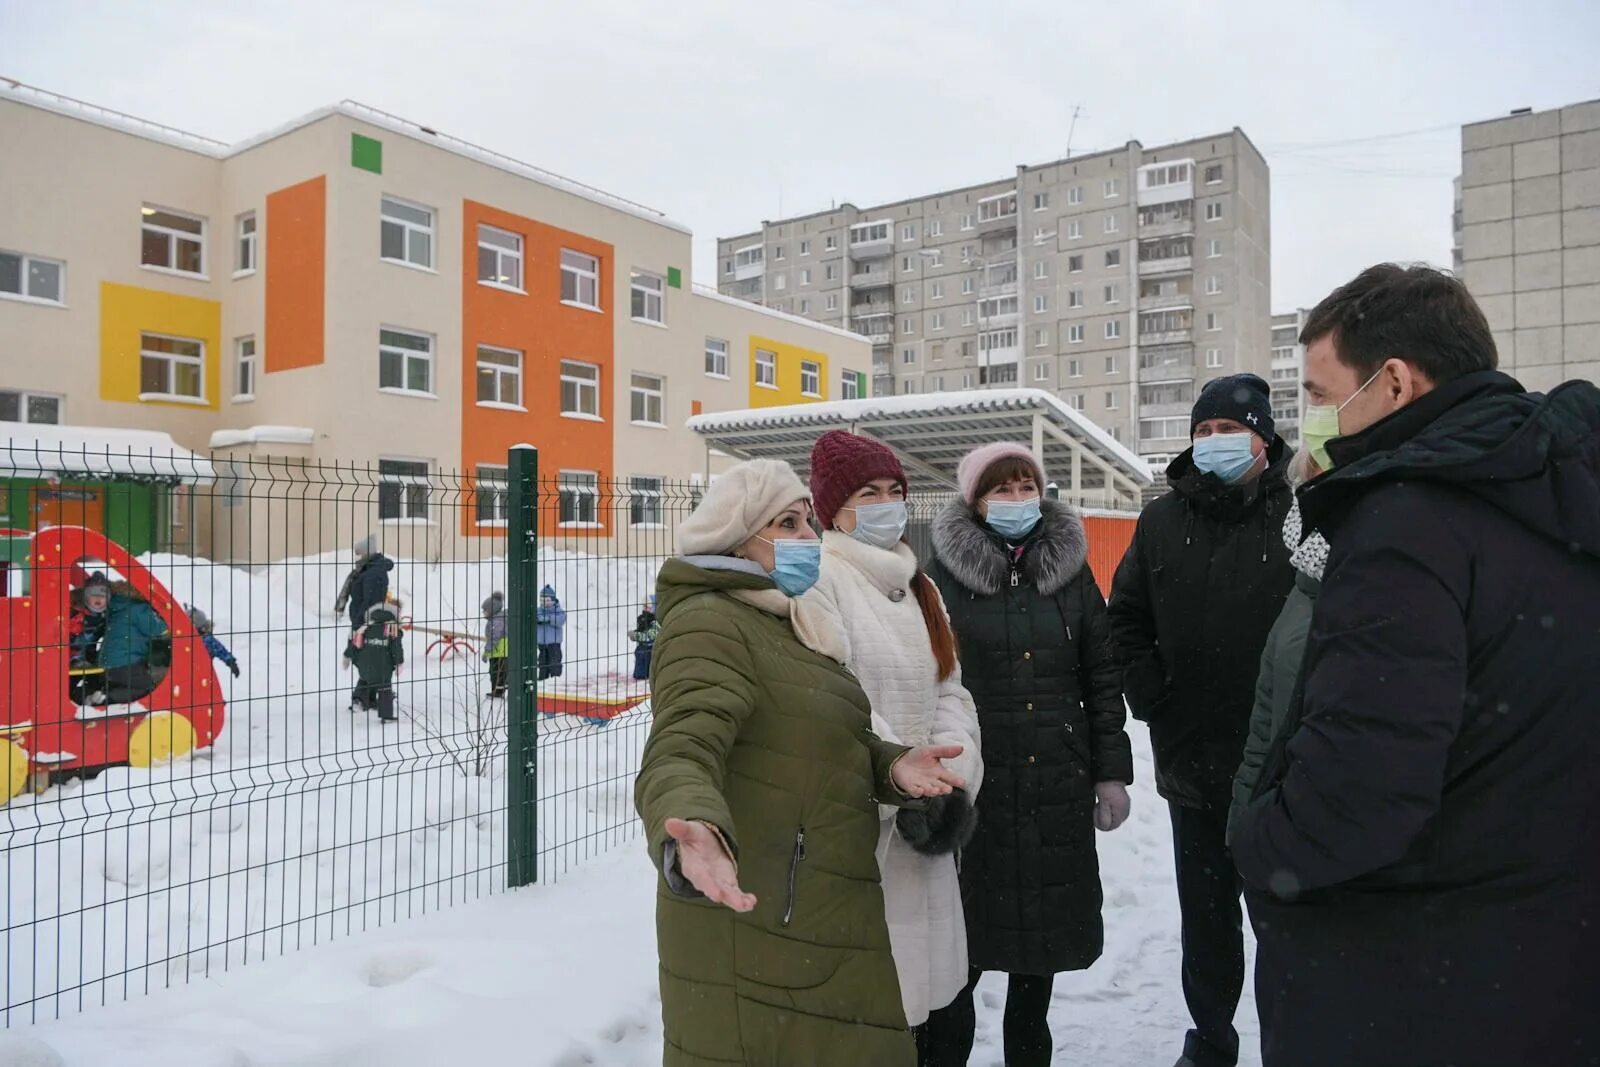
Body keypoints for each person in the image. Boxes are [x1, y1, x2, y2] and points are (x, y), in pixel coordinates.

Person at [1230, 264, 1600, 1067]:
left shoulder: (1406, 522)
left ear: (1394, 382)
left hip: (1409, 984)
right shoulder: (1559, 492)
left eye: (1321, 393)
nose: (1313, 418)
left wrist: (1256, 839)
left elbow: (1353, 799)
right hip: (1547, 965)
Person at [633, 458, 969, 1067]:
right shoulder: (708, 623)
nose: (809, 538)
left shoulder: (786, 620)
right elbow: (683, 742)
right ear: (738, 538)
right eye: (787, 523)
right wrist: (693, 822)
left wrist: (892, 766)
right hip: (761, 914)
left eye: (807, 521)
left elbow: (822, 735)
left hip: (817, 908)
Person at [923, 442, 1134, 1067]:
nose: (1016, 501)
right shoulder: (943, 581)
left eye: (1026, 487)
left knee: (1036, 959)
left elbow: (1101, 674)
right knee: (961, 959)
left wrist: (1110, 774)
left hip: (1054, 791)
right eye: (1000, 489)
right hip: (977, 791)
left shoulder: (1069, 573)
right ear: (974, 501)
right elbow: (928, 681)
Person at [1107, 374, 1293, 1067]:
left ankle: (1294, 1043)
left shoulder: (1303, 510)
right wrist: (1153, 698)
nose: (1214, 441)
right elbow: (1125, 616)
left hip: (1281, 766)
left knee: (1286, 921)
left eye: (1230, 428)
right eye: (1204, 430)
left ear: (1264, 435)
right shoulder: (1160, 520)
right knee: (1208, 924)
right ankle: (1212, 1041)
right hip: (1193, 761)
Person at [792, 430, 984, 1060]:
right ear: (831, 508)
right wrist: (902, 772)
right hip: (862, 827)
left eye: (893, 490)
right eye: (866, 492)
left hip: (930, 822)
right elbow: (837, 693)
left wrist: (953, 774)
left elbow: (950, 689)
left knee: (937, 1010)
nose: (885, 503)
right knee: (874, 1011)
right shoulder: (819, 580)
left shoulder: (920, 587)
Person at [1225, 450, 1322, 838]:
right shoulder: (1304, 588)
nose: (1312, 496)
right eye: (1308, 485)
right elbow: (1266, 728)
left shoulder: (1390, 587)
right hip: (1290, 817)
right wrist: (1245, 815)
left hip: (1345, 838)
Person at [97, 582, 170, 705]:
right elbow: (158, 629)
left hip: (109, 660)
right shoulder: (138, 609)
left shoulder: (118, 607)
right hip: (126, 661)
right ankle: (106, 698)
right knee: (146, 688)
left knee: (124, 684)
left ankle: (105, 697)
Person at [345, 598, 404, 723]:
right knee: (384, 687)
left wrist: (348, 655)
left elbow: (356, 642)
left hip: (364, 664)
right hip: (383, 667)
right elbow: (396, 648)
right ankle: (386, 714)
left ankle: (358, 700)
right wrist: (399, 662)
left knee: (365, 679)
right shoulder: (392, 629)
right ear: (397, 612)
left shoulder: (367, 626)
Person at [68, 572, 112, 704]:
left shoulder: (103, 616)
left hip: (88, 655)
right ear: (86, 597)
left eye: (103, 596)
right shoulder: (76, 613)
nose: (98, 599)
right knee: (68, 681)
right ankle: (72, 700)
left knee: (97, 678)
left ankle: (88, 697)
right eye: (93, 595)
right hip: (68, 656)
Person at [334, 534, 393, 631]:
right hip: (363, 626)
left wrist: (358, 626)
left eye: (359, 554)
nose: (356, 558)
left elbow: (370, 604)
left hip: (366, 628)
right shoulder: (365, 570)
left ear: (367, 553)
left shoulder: (373, 574)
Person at [185, 604, 241, 679]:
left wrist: (231, 663)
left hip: (201, 676)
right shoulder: (182, 637)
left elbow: (221, 651)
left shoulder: (207, 640)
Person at [536, 584, 566, 680]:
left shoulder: (558, 610)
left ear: (553, 600)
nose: (544, 603)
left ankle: (555, 678)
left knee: (554, 662)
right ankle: (542, 678)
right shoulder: (538, 611)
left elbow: (561, 620)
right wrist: (537, 620)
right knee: (542, 662)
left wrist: (549, 619)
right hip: (542, 643)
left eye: (547, 600)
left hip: (554, 643)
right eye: (542, 600)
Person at [482, 592, 508, 700]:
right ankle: (498, 690)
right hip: (501, 652)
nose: (483, 613)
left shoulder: (497, 621)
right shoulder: (497, 619)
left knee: (497, 673)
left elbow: (494, 639)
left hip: (499, 652)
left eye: (485, 610)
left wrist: (486, 652)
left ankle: (498, 692)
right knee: (499, 672)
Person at [627, 594, 658, 681]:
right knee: (638, 674)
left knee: (645, 674)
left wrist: (636, 636)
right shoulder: (643, 620)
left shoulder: (655, 622)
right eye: (643, 606)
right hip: (640, 650)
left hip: (650, 651)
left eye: (648, 607)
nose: (645, 609)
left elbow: (650, 636)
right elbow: (641, 632)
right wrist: (635, 633)